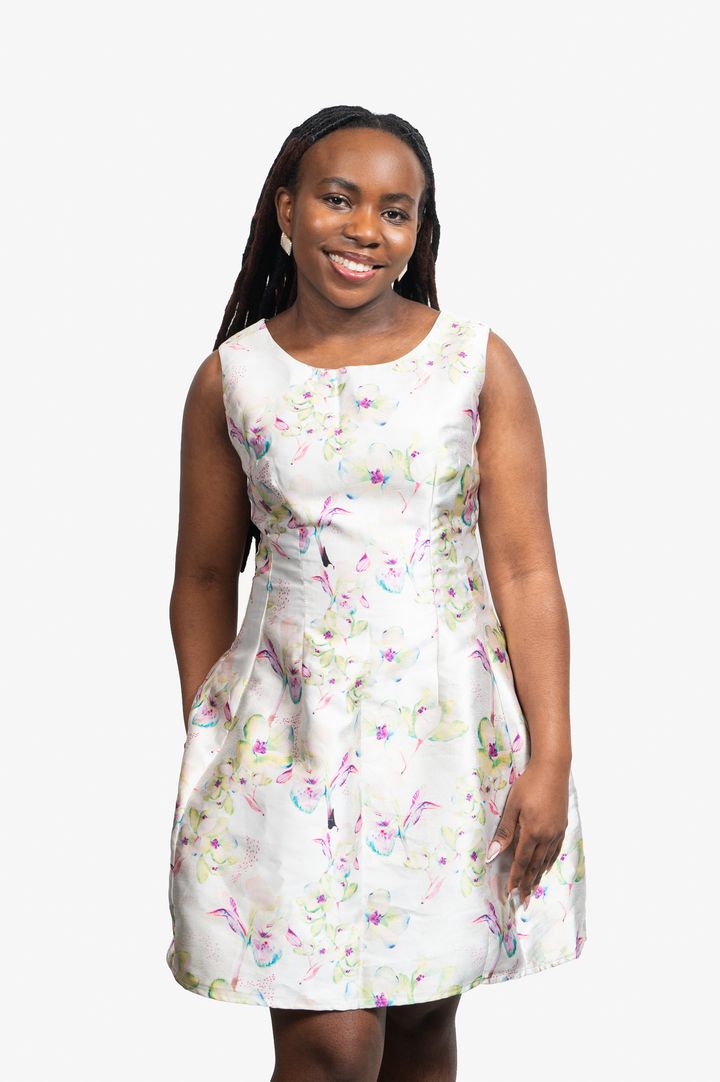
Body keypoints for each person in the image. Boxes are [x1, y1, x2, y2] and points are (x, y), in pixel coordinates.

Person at [165, 104, 587, 1082]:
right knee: (332, 1044)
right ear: (287, 210)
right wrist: (210, 721)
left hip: (448, 736)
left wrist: (552, 755)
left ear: (418, 231)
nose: (365, 229)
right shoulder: (233, 378)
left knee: (421, 1024)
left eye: (395, 211)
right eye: (339, 199)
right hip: (288, 739)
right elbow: (202, 573)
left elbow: (527, 568)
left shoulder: (474, 363)